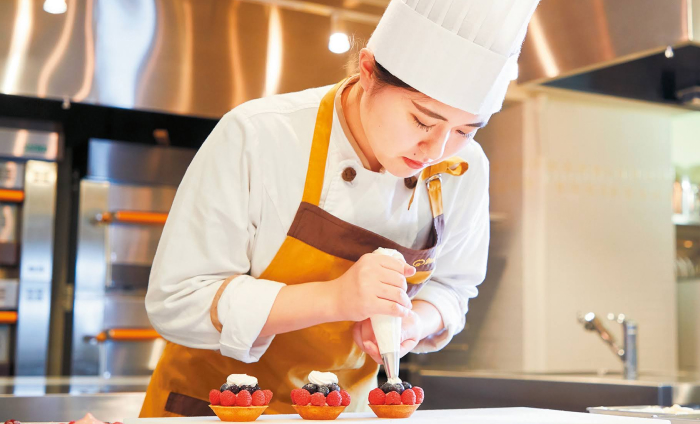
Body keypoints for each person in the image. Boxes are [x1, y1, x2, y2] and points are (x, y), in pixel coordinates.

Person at [140, 0, 540, 417]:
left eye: (464, 130)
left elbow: (453, 287)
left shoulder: (465, 166)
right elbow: (178, 301)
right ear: (367, 72)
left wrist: (412, 322)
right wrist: (334, 298)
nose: (436, 150)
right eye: (423, 121)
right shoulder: (260, 135)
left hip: (342, 413)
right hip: (214, 409)